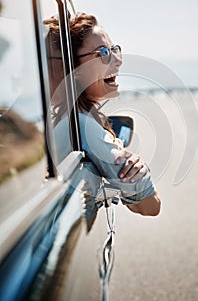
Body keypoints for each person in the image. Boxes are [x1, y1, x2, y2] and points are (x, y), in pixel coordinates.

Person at [45, 13, 161, 216]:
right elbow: (150, 206)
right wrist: (140, 171)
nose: (117, 60)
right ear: (75, 68)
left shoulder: (62, 119)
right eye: (103, 53)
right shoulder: (83, 126)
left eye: (115, 49)